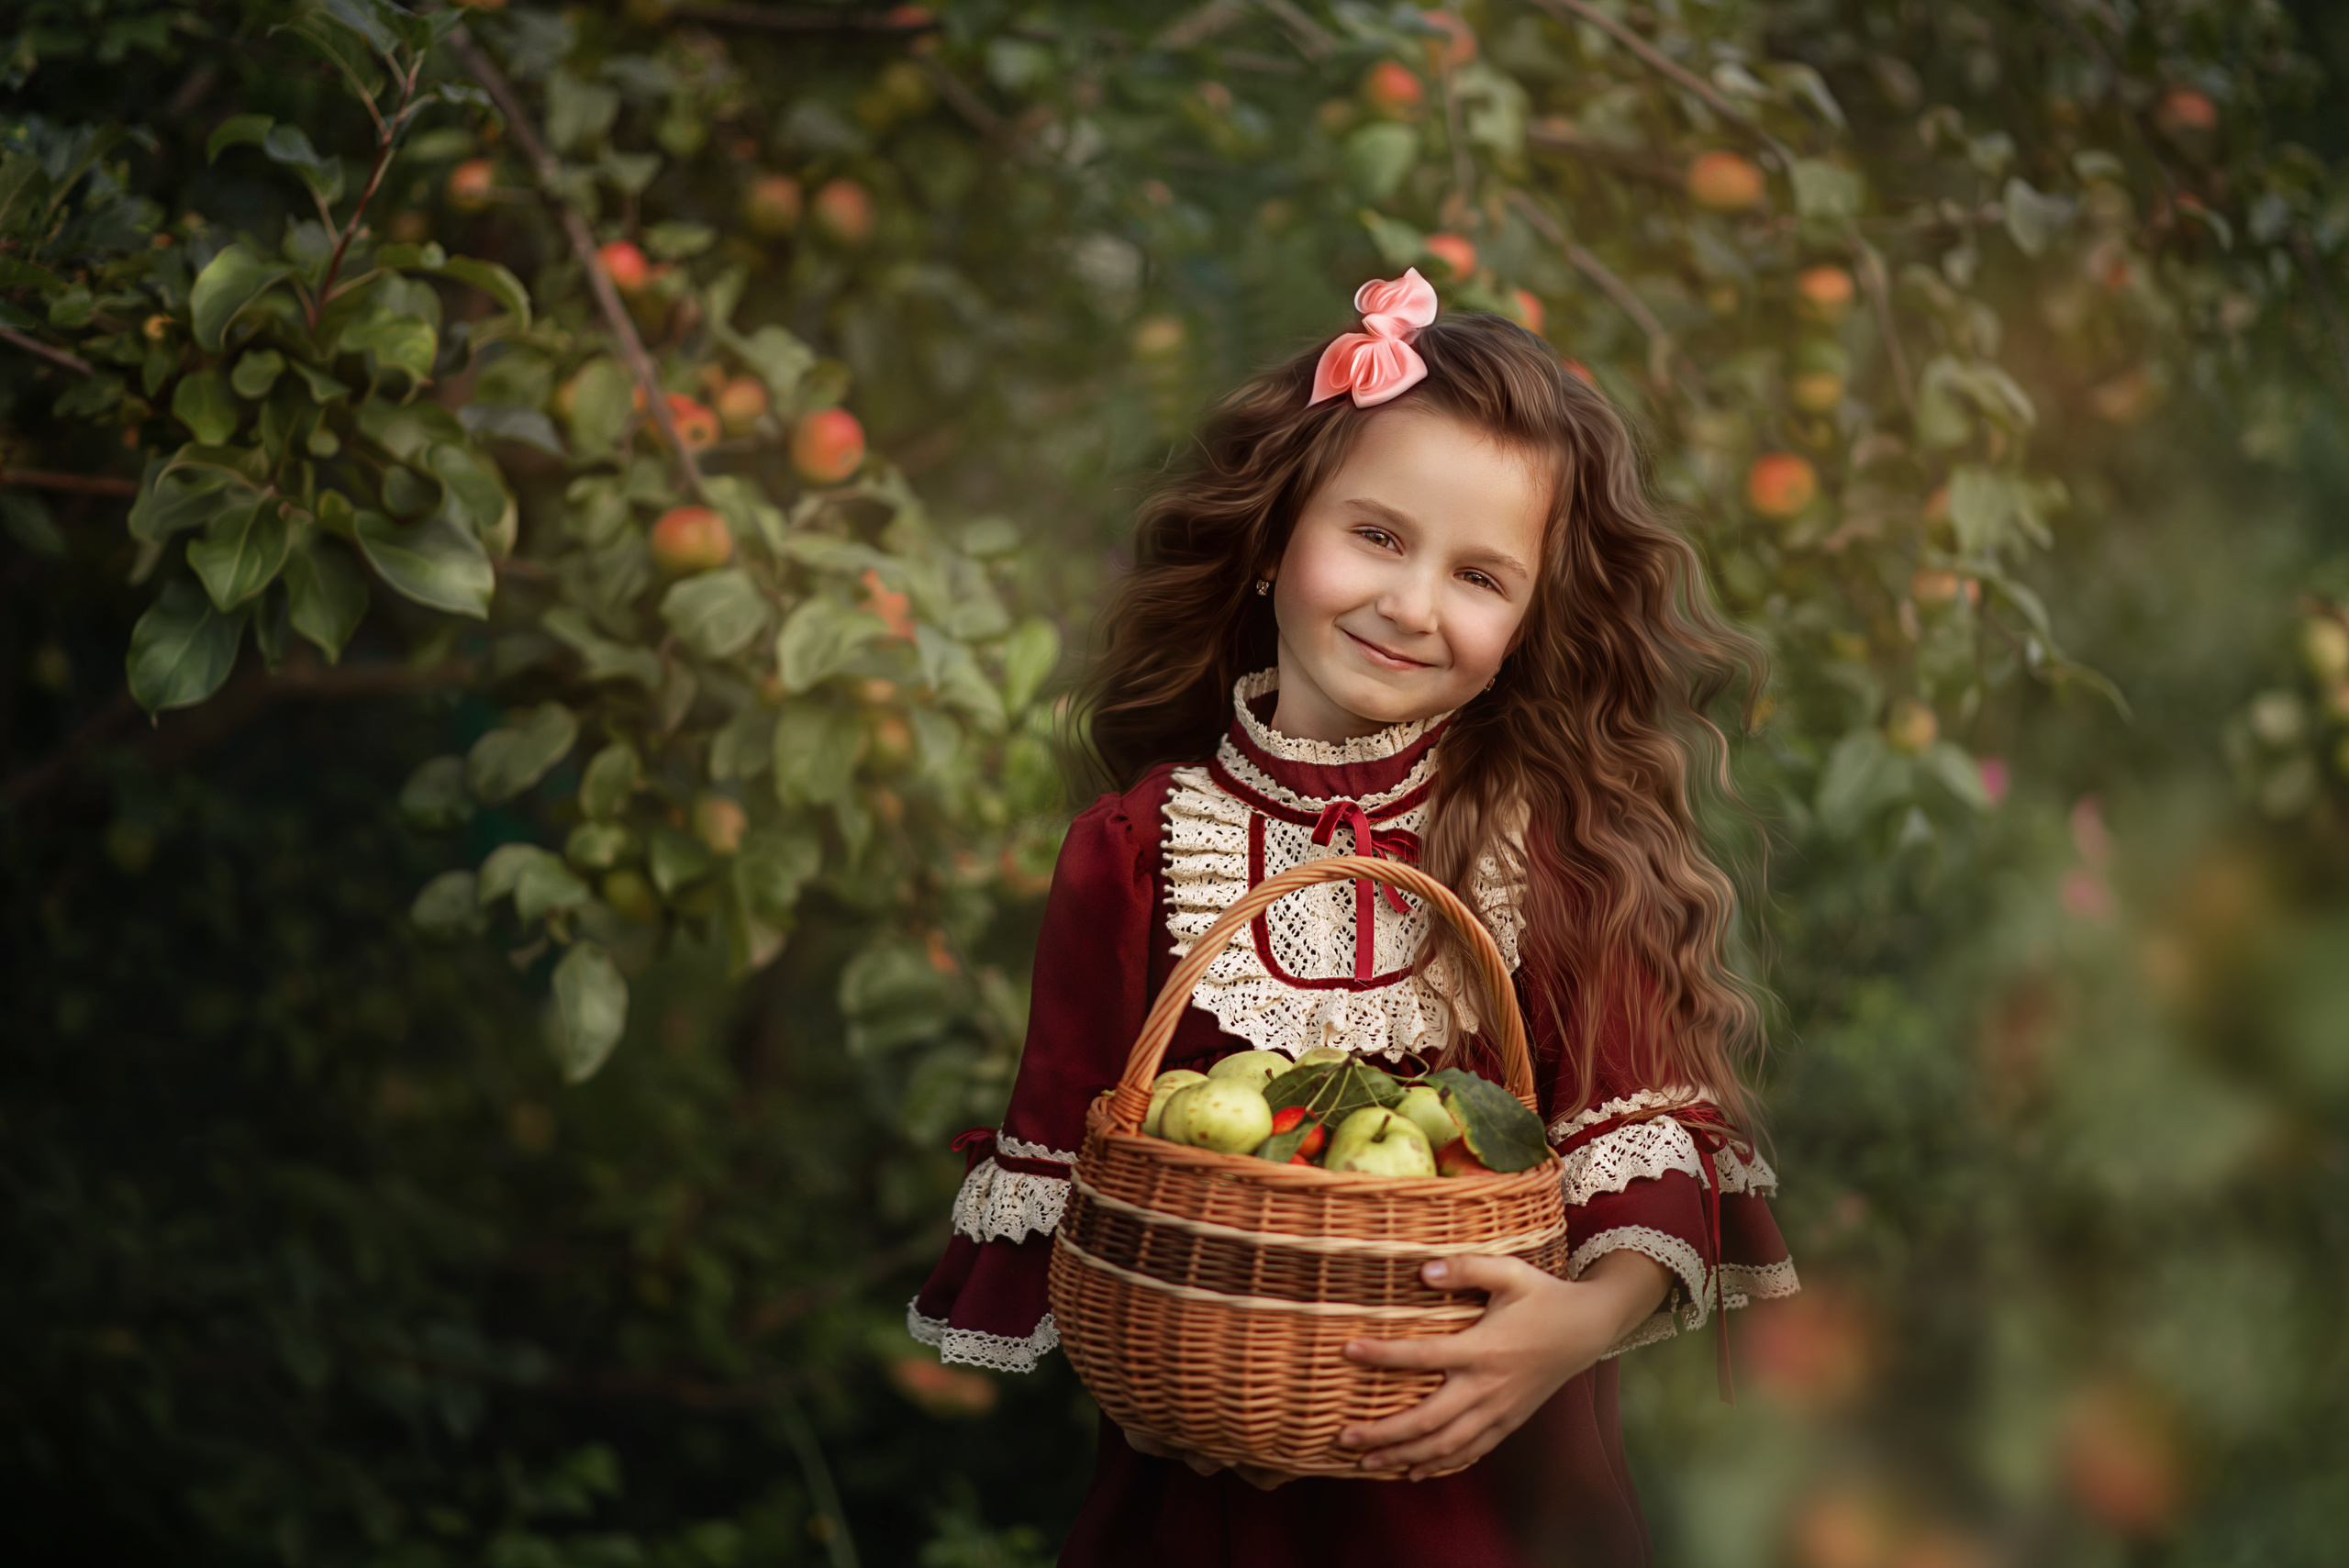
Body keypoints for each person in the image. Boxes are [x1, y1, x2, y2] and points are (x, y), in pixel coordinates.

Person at [908, 269, 1798, 1565]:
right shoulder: (1134, 852)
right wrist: (1153, 1366)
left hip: (1492, 1490)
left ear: (1527, 623)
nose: (1412, 604)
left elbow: (1643, 1135)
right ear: (1276, 538)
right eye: (1377, 535)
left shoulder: (1549, 847)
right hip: (1217, 1490)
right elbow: (1075, 1179)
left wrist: (1571, 1327)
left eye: (1480, 574)